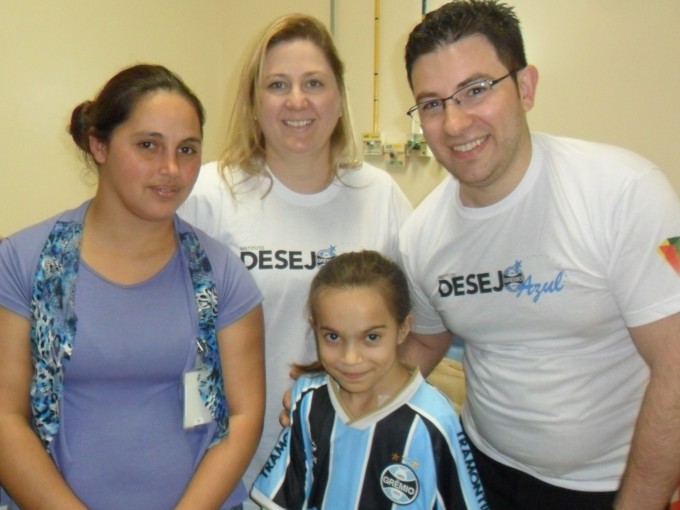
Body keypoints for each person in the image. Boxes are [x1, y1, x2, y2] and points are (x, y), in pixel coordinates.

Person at [397, 1, 680, 509]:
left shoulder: (628, 193)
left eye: (476, 90)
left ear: (525, 87)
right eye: (433, 103)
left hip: (615, 485)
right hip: (485, 471)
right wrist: (340, 394)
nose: (456, 122)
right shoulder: (422, 234)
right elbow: (425, 342)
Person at [0, 64, 265, 509]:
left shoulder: (219, 274)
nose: (171, 169)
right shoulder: (24, 263)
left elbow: (242, 416)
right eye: (148, 145)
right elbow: (6, 416)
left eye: (187, 149)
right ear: (99, 144)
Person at [178, 14, 413, 504]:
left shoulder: (378, 195)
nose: (297, 101)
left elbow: (410, 332)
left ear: (339, 96)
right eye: (277, 84)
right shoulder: (209, 193)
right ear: (255, 101)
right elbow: (173, 331)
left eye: (314, 83)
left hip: (342, 455)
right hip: (222, 461)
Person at [251, 250, 488, 509]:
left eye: (371, 337)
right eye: (332, 337)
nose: (350, 358)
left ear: (404, 329)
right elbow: (284, 496)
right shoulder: (307, 398)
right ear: (315, 327)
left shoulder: (434, 422)